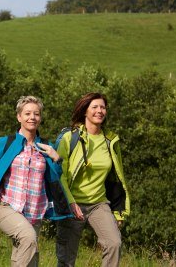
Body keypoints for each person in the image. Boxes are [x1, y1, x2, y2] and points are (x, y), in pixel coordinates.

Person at [0, 96, 72, 267]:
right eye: (27, 113)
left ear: (40, 118)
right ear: (19, 117)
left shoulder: (46, 146)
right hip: (7, 206)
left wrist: (56, 159)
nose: (32, 117)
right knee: (28, 238)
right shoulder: (6, 143)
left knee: (29, 257)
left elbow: (56, 178)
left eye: (36, 114)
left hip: (35, 211)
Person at [55, 92, 130, 267]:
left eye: (103, 107)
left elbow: (117, 179)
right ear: (85, 111)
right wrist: (70, 202)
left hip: (99, 203)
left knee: (114, 243)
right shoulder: (70, 138)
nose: (99, 111)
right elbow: (60, 174)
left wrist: (118, 211)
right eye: (94, 107)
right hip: (71, 204)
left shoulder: (110, 141)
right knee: (67, 259)